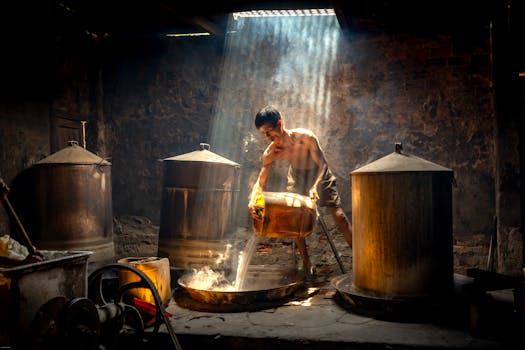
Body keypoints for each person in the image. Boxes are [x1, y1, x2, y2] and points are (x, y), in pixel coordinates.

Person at [248, 105, 352, 274]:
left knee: (339, 216)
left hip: (319, 173)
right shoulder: (271, 152)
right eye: (263, 133)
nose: (267, 137)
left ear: (280, 124)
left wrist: (314, 187)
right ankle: (306, 263)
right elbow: (261, 181)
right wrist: (254, 199)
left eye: (269, 131)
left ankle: (360, 262)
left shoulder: (306, 138)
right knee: (293, 217)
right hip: (297, 175)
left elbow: (323, 164)